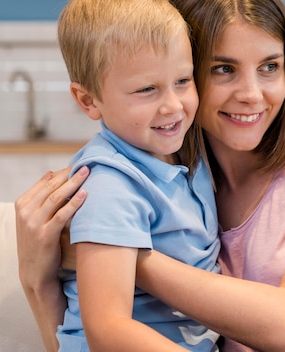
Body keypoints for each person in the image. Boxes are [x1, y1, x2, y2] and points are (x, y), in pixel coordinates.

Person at [16, 0, 285, 351]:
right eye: (223, 69)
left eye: (270, 67)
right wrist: (39, 282)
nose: (252, 94)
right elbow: (97, 335)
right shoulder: (175, 175)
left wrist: (128, 257)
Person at [52, 0, 222, 350]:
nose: (173, 105)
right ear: (88, 101)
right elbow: (108, 329)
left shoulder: (188, 147)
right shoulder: (110, 186)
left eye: (182, 81)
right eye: (147, 89)